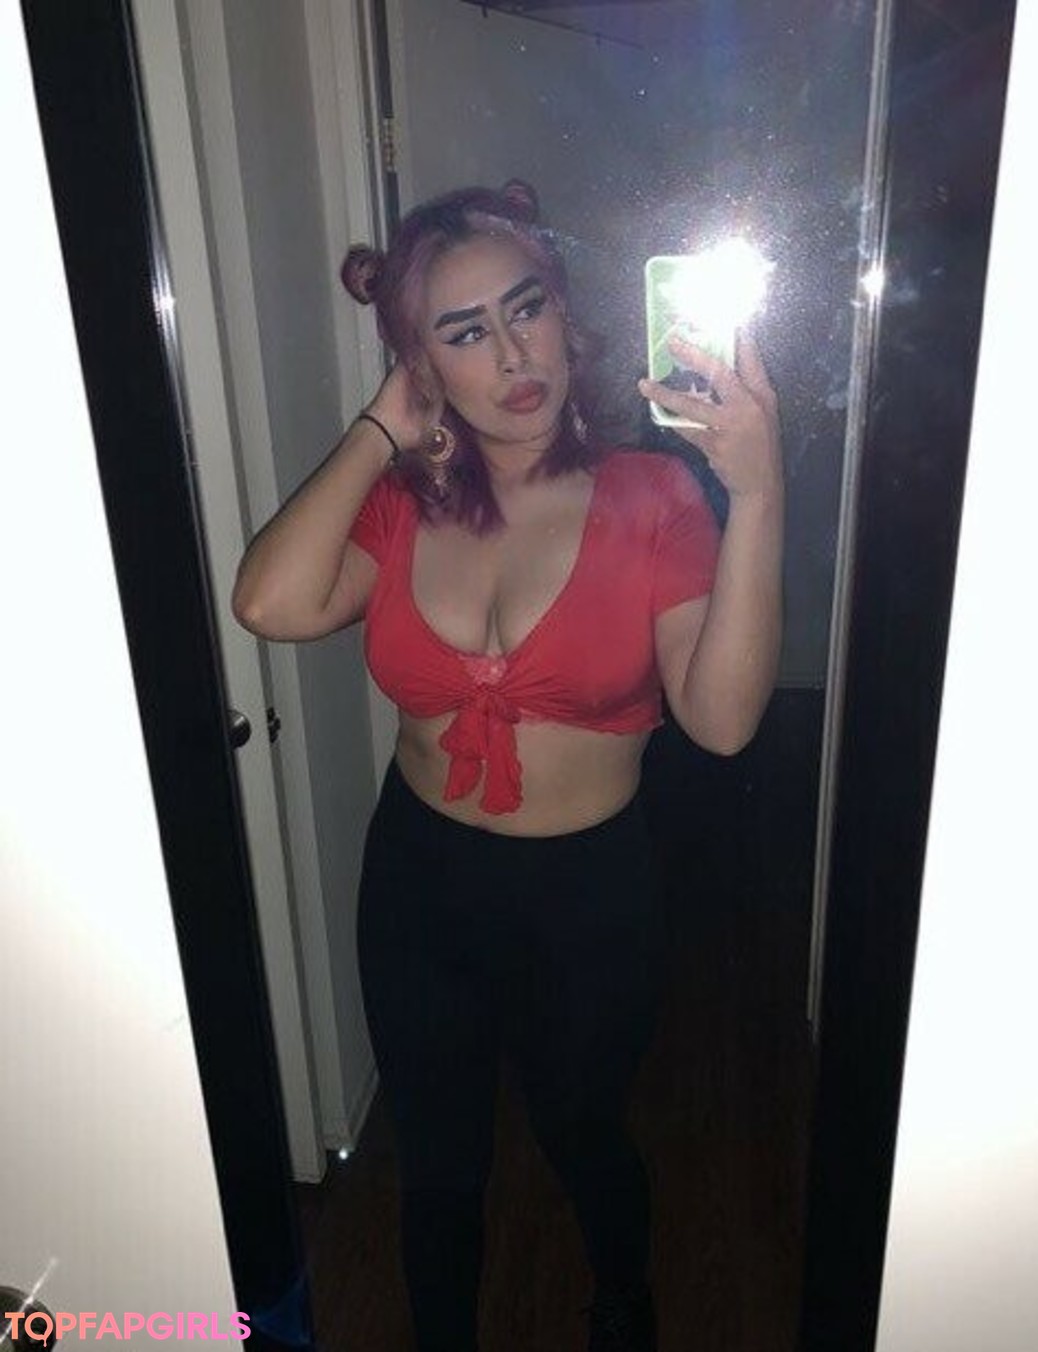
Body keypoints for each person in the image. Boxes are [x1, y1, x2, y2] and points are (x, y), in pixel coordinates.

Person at [232, 182, 783, 1352]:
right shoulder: (401, 505)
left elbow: (724, 722)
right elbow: (271, 602)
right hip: (420, 881)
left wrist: (757, 488)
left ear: (566, 316)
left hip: (588, 896)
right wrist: (381, 428)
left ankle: (623, 1296)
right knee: (437, 1163)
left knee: (583, 1128)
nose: (512, 354)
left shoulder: (654, 495)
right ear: (424, 363)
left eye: (525, 309)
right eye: (464, 331)